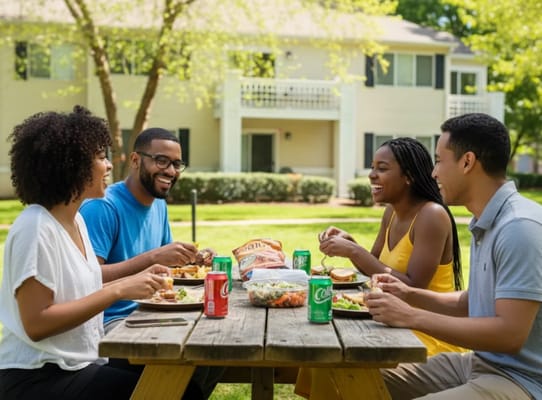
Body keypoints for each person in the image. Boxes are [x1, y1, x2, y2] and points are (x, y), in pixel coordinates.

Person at [0, 106, 171, 399]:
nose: (108, 166)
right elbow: (37, 323)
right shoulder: (35, 227)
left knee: (176, 382)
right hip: (37, 377)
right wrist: (118, 291)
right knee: (175, 393)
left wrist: (135, 281)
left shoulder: (75, 220)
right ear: (72, 165)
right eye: (101, 157)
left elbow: (79, 291)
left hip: (79, 365)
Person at [367, 113, 542, 399]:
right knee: (352, 375)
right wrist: (408, 294)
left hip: (523, 381)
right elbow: (474, 301)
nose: (433, 173)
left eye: (438, 160)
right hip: (479, 363)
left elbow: (510, 334)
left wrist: (411, 315)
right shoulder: (488, 221)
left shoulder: (518, 227)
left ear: (467, 162)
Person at [79, 127, 219, 399]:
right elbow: (87, 276)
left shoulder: (158, 204)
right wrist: (153, 257)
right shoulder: (103, 207)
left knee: (216, 345)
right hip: (112, 321)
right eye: (161, 161)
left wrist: (191, 259)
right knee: (197, 359)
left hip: (154, 311)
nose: (170, 171)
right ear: (135, 160)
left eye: (177, 164)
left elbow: (163, 267)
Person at [319, 137, 464, 354]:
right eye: (372, 168)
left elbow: (413, 287)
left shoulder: (431, 215)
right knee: (328, 349)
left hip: (427, 336)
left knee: (341, 362)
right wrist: (350, 245)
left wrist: (354, 251)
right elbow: (373, 268)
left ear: (409, 176)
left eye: (382, 168)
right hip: (394, 324)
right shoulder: (391, 212)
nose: (371, 175)